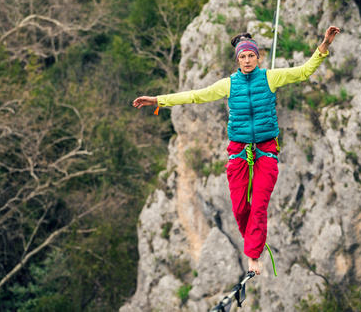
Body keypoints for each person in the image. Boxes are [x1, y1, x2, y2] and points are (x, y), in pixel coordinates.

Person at [133, 26, 340, 275]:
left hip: (266, 150)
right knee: (241, 208)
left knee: (259, 205)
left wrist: (325, 44)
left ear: (258, 57)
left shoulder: (271, 78)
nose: (247, 60)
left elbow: (304, 72)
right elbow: (195, 96)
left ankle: (253, 255)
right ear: (237, 60)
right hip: (239, 150)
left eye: (251, 56)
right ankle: (252, 242)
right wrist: (158, 100)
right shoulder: (228, 84)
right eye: (242, 57)